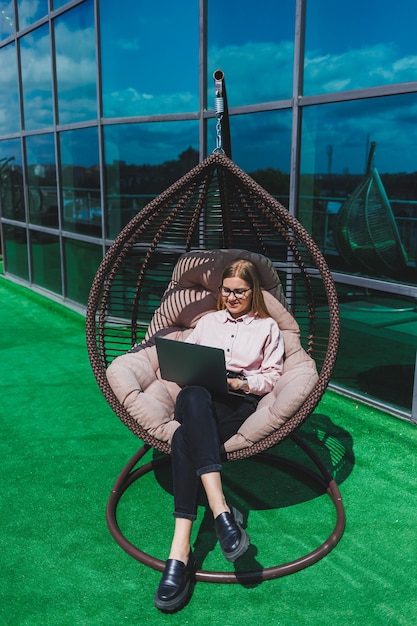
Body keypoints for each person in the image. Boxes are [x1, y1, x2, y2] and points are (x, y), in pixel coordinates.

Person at [154, 259, 284, 612]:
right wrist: (191, 373)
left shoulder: (267, 327)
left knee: (184, 439)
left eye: (238, 291)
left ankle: (179, 552)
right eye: (226, 290)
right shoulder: (207, 322)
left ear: (252, 291)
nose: (231, 297)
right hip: (197, 393)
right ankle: (221, 510)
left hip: (236, 401)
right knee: (194, 395)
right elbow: (187, 360)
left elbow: (271, 377)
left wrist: (239, 382)